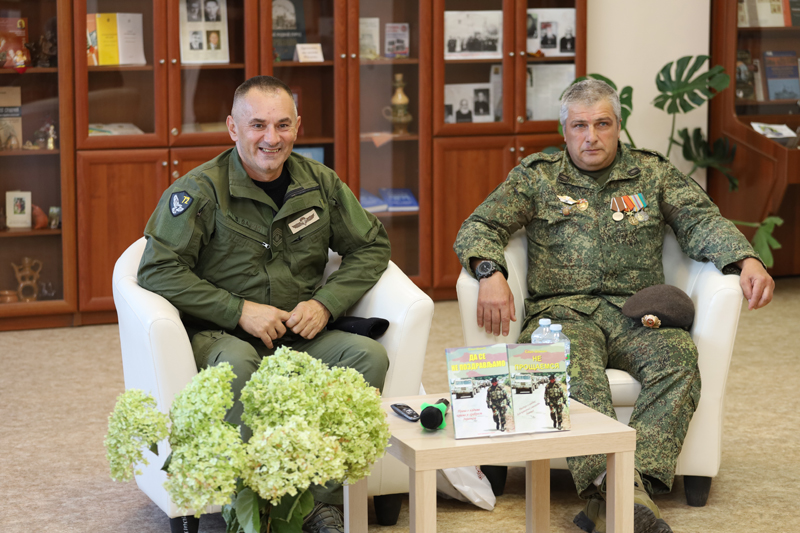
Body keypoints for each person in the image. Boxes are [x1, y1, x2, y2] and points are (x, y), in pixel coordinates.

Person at [454, 79, 774, 533]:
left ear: (618, 126)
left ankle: (622, 490)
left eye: (602, 124)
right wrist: (489, 272)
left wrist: (745, 259)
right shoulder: (537, 176)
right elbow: (480, 224)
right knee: (568, 366)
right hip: (562, 314)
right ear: (564, 131)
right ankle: (621, 492)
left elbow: (700, 220)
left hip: (638, 312)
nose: (591, 137)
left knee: (679, 358)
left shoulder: (652, 173)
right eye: (580, 126)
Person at [138, 75, 391, 533]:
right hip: (223, 334)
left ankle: (317, 504)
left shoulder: (319, 183)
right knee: (238, 364)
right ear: (233, 128)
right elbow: (157, 269)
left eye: (282, 125)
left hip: (297, 334)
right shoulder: (199, 191)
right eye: (258, 125)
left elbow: (371, 246)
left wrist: (326, 304)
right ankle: (256, 508)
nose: (271, 138)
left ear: (298, 126)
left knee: (368, 357)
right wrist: (238, 310)